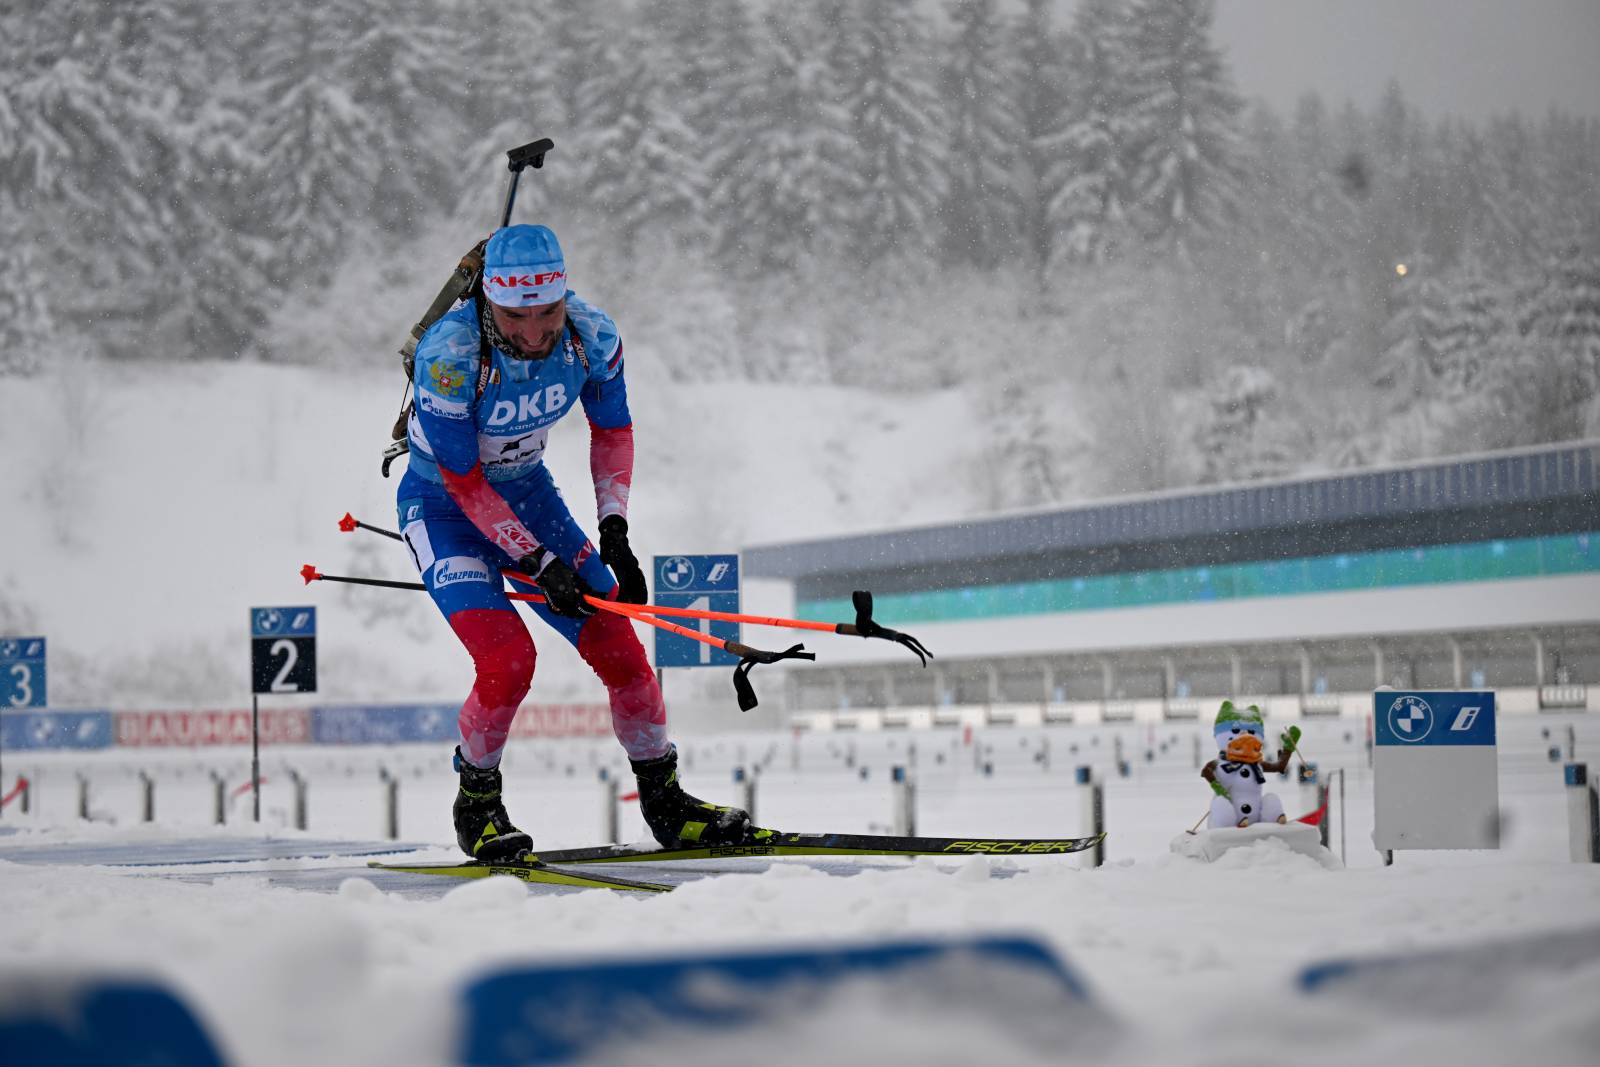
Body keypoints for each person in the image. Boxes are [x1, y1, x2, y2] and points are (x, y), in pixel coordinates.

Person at [395, 223, 751, 859]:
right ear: (487, 304)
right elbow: (464, 480)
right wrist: (537, 563)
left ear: (565, 295)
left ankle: (665, 801)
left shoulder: (592, 336)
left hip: (529, 498)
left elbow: (612, 431)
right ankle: (477, 803)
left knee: (620, 646)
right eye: (514, 316)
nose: (533, 334)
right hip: (445, 507)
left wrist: (614, 530)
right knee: (508, 661)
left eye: (547, 312)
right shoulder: (450, 356)